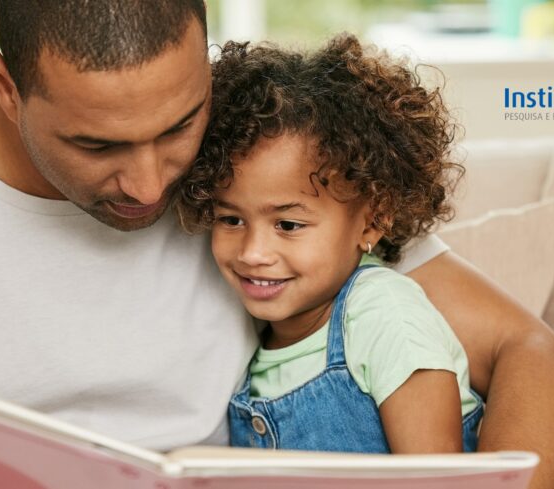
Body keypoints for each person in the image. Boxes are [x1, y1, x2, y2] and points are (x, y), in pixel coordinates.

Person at [0, 2, 554, 488]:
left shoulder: (258, 166)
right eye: (97, 146)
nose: (151, 186)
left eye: (179, 126)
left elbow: (542, 362)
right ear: (4, 85)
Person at [176, 35, 480, 453]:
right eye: (230, 219)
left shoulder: (386, 317)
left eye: (287, 224)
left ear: (372, 221)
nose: (252, 253)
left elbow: (436, 478)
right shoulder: (252, 346)